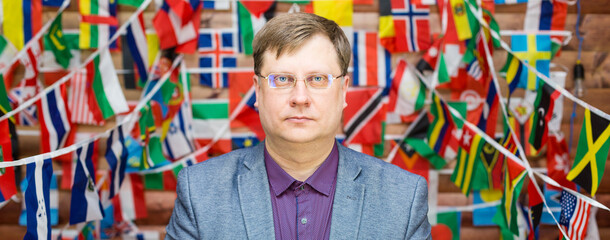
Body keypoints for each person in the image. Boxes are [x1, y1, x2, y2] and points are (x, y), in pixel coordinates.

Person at [165, 12, 431, 239]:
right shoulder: (199, 192)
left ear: (343, 91)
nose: (300, 98)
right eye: (282, 79)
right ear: (257, 91)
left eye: (317, 78)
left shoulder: (404, 199)